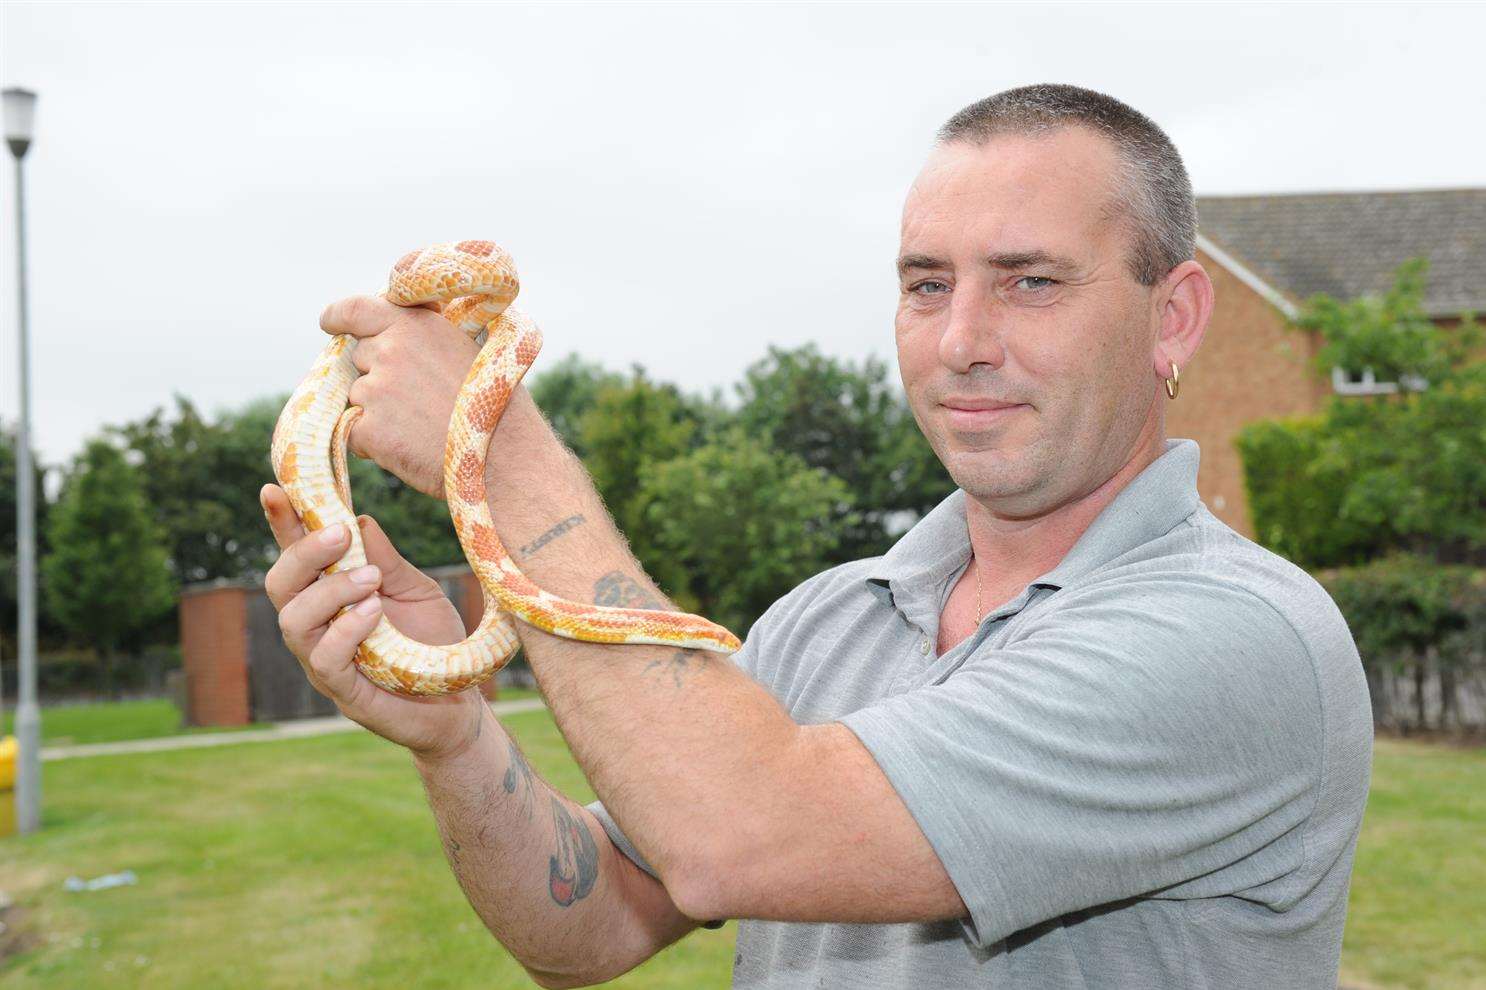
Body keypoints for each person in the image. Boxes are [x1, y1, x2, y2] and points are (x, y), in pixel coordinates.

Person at [261, 83, 1372, 989]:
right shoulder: (826, 618)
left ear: (1171, 318)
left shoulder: (1236, 636)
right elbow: (595, 923)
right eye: (925, 285)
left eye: (1031, 282)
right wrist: (453, 737)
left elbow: (735, 836)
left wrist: (491, 442)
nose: (962, 341)